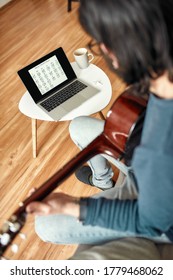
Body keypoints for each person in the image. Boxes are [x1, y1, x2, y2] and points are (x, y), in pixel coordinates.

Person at [26, 0, 173, 256]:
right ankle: (103, 182)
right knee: (80, 126)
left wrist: (72, 205)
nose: (104, 49)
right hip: (150, 177)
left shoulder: (160, 148)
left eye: (102, 42)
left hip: (157, 212)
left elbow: (148, 220)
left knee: (45, 224)